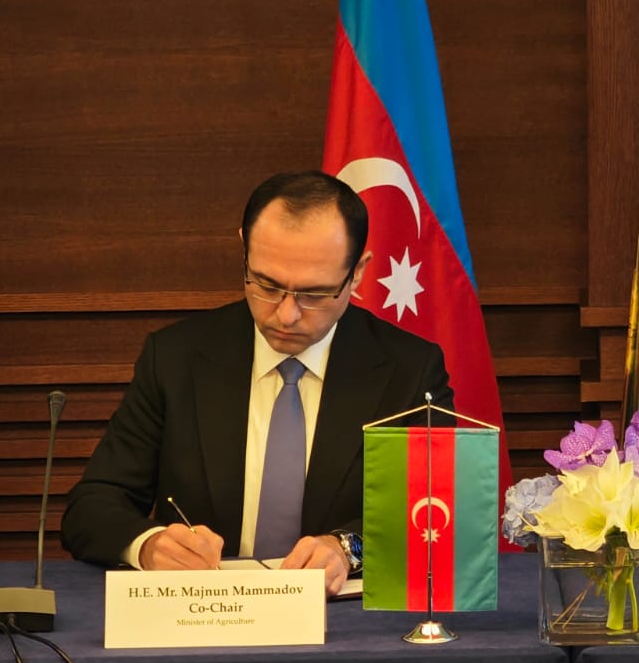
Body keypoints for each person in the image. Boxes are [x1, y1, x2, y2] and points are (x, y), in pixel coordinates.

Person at [61, 170, 453, 593]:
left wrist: (347, 549)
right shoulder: (175, 358)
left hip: (341, 617)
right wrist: (149, 545)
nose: (286, 315)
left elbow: (434, 512)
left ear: (357, 273)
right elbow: (92, 507)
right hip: (206, 613)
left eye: (314, 294)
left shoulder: (410, 370)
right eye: (266, 285)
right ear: (244, 252)